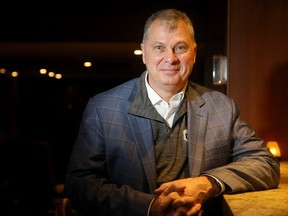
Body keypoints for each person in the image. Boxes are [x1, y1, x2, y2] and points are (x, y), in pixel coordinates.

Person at [64, 8, 280, 216]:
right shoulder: (103, 108)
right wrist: (150, 207)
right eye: (159, 47)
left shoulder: (222, 107)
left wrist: (208, 183)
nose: (171, 58)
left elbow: (265, 164)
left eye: (180, 47)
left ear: (194, 53)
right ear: (144, 52)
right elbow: (79, 184)